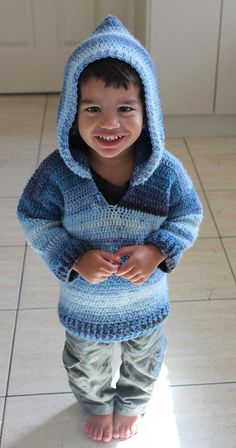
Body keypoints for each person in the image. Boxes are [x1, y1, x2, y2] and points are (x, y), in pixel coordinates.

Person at [17, 15, 203, 443]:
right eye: (93, 109)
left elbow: (188, 214)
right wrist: (72, 257)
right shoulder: (58, 173)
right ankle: (98, 404)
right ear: (71, 111)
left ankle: (134, 403)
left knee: (145, 357)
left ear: (148, 111)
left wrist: (158, 250)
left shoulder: (166, 173)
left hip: (145, 299)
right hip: (86, 306)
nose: (109, 123)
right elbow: (34, 215)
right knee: (86, 361)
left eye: (125, 109)